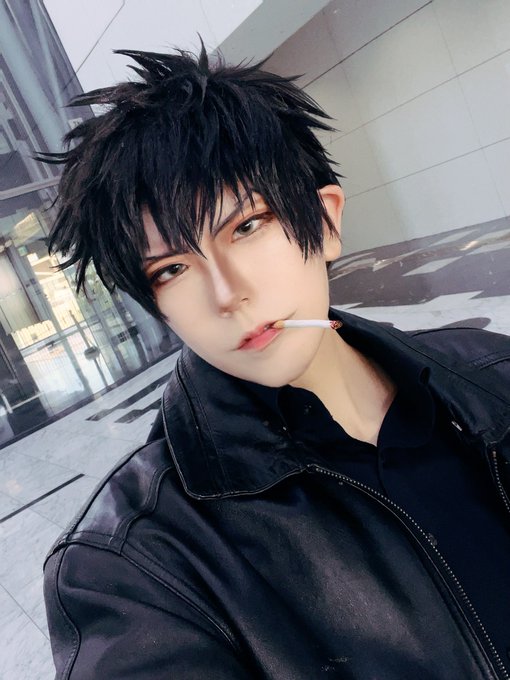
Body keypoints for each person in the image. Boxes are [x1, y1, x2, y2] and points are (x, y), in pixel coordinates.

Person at [42, 44, 510, 679]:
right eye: (172, 269)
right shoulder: (132, 563)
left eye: (246, 227)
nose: (226, 293)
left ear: (325, 221)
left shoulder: (494, 376)